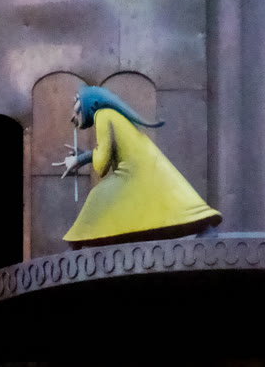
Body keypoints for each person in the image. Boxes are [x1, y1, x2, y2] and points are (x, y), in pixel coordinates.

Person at [55, 86, 222, 248]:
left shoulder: (103, 116)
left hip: (134, 174)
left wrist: (80, 159)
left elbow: (102, 166)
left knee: (97, 197)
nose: (72, 117)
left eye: (76, 102)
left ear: (89, 102)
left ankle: (78, 242)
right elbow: (105, 154)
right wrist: (83, 157)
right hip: (138, 171)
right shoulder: (109, 115)